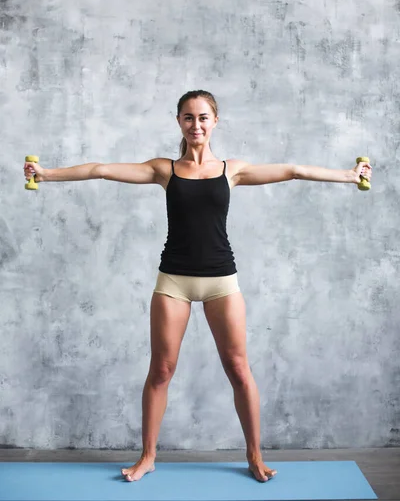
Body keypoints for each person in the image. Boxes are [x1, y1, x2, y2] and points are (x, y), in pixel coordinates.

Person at [23, 89, 372, 483]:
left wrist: (348, 175)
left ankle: (255, 456)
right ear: (179, 123)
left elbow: (292, 170)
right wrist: (46, 174)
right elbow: (101, 168)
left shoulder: (232, 170)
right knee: (161, 369)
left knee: (239, 369)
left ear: (215, 122)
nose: (196, 125)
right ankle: (148, 456)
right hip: (173, 280)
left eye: (203, 117)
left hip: (222, 281)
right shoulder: (164, 169)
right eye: (188, 118)